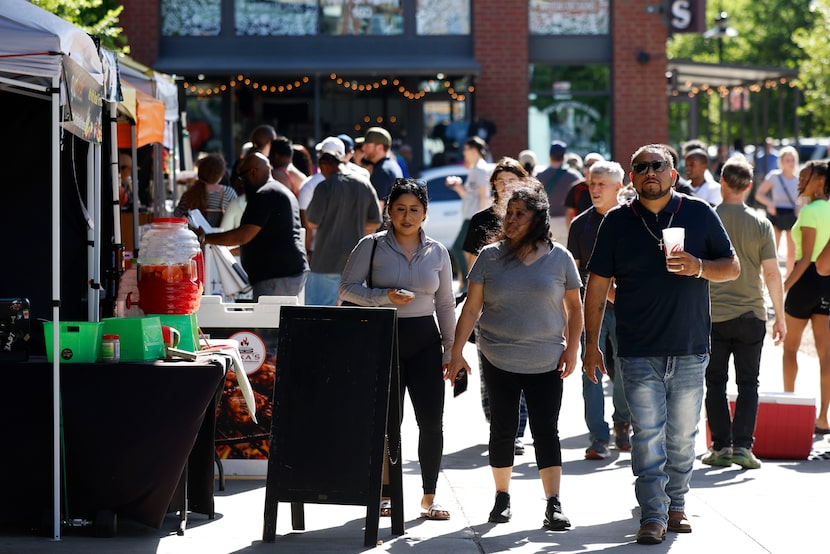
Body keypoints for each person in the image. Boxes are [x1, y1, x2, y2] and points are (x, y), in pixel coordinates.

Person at [582, 144, 739, 545]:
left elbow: (732, 267)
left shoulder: (699, 213)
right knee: (646, 435)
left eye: (658, 165)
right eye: (641, 167)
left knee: (683, 436)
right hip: (636, 349)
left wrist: (698, 266)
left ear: (673, 174)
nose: (650, 171)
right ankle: (652, 514)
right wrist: (590, 344)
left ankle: (677, 505)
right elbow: (597, 286)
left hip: (688, 346)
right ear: (631, 178)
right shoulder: (617, 221)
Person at [449, 185, 583, 531]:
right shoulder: (489, 256)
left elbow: (574, 307)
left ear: (537, 219)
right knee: (503, 429)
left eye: (519, 214)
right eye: (508, 213)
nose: (510, 219)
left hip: (547, 360)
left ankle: (554, 502)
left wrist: (573, 348)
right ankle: (502, 497)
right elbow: (471, 309)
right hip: (497, 357)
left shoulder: (560, 258)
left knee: (545, 431)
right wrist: (457, 350)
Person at [340, 179, 456, 520]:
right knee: (390, 422)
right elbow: (347, 289)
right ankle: (386, 494)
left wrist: (451, 350)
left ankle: (429, 497)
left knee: (432, 421)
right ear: (389, 210)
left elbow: (446, 303)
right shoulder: (371, 245)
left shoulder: (437, 251)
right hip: (384, 338)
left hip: (425, 341)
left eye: (415, 210)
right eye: (401, 209)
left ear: (425, 213)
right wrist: (383, 297)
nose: (407, 216)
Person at [702, 155, 786, 470]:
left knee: (715, 383)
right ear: (749, 186)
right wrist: (779, 315)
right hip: (752, 312)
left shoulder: (708, 218)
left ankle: (721, 446)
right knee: (749, 383)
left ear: (721, 182)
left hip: (714, 314)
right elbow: (772, 274)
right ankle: (743, 448)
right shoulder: (761, 223)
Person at [461, 158, 530, 455]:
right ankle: (497, 426)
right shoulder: (481, 221)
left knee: (524, 371)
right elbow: (472, 269)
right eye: (500, 182)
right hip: (488, 308)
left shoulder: (531, 220)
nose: (505, 187)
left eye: (511, 181)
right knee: (489, 372)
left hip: (525, 309)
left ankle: (516, 432)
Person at [566, 160, 631, 459]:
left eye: (601, 184)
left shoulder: (632, 220)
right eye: (591, 183)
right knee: (590, 369)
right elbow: (574, 275)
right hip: (590, 307)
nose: (594, 189)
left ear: (618, 187)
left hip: (628, 308)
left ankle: (623, 423)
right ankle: (598, 436)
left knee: (626, 368)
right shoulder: (581, 224)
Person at [202, 152, 308, 299]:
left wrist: (204, 238)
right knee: (271, 320)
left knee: (269, 321)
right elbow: (266, 238)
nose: (241, 182)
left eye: (242, 177)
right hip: (283, 273)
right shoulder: (278, 190)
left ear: (253, 172)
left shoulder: (264, 194)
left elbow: (243, 235)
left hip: (277, 276)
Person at [782, 160, 830, 434]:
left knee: (790, 349)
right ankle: (823, 418)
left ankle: (789, 408)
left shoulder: (811, 211)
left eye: (804, 177)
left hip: (805, 282)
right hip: (826, 283)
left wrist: (783, 287)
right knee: (826, 354)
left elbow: (805, 259)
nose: (799, 181)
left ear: (820, 182)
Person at [305, 137, 381, 305]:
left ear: (324, 165)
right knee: (351, 315)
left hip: (325, 261)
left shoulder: (324, 187)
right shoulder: (364, 183)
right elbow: (375, 221)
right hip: (356, 263)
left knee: (318, 314)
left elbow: (312, 222)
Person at [446, 136, 491, 292]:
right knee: (465, 250)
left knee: (458, 248)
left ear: (473, 150)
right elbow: (469, 195)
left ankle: (467, 284)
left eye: (465, 150)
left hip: (474, 218)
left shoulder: (480, 169)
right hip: (469, 217)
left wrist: (482, 220)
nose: (464, 153)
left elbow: (484, 196)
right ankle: (467, 284)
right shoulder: (474, 169)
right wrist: (457, 186)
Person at [754, 145, 800, 278]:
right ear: (781, 161)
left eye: (792, 160)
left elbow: (804, 199)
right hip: (776, 214)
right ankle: (769, 278)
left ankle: (789, 281)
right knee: (773, 250)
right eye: (787, 160)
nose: (790, 163)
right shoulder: (774, 177)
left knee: (792, 252)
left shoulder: (799, 179)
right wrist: (770, 204)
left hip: (792, 215)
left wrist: (799, 207)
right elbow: (759, 194)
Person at [536, 140, 585, 244]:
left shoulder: (539, 176)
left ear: (550, 156)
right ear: (564, 156)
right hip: (567, 222)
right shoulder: (574, 176)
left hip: (545, 222)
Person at [174, 153, 238, 228]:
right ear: (221, 174)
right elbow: (237, 219)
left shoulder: (189, 194)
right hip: (220, 238)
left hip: (195, 238)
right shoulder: (228, 193)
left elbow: (177, 216)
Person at [361, 126, 403, 210]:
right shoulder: (393, 166)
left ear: (379, 147)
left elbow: (377, 210)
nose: (363, 148)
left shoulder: (382, 171)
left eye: (367, 145)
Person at [564, 152, 605, 226]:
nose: (590, 168)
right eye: (587, 165)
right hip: (582, 232)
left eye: (593, 165)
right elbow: (569, 214)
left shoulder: (609, 187)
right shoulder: (577, 188)